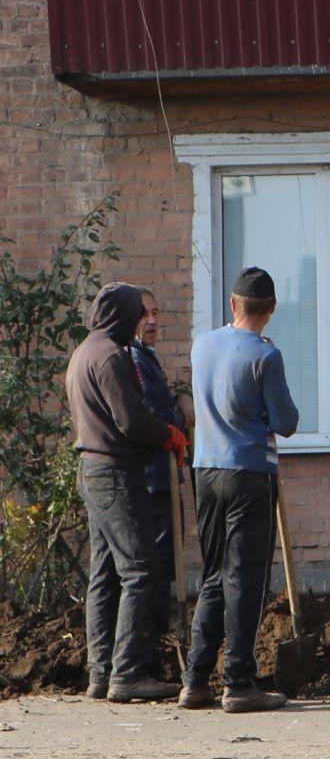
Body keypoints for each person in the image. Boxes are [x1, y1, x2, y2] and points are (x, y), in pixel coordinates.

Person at [183, 267, 300, 714]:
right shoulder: (266, 356)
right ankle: (238, 684)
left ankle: (195, 681)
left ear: (233, 304)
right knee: (245, 580)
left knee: (214, 574)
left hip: (206, 472)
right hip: (249, 474)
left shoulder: (201, 345)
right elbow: (286, 422)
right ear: (271, 310)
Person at [67, 282, 185, 702]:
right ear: (123, 315)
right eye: (138, 313)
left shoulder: (84, 352)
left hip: (92, 469)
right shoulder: (111, 357)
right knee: (140, 570)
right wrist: (168, 433)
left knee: (104, 574)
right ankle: (128, 674)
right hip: (116, 472)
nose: (142, 321)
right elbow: (131, 420)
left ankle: (101, 674)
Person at [128, 290, 193, 636]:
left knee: (165, 562)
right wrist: (179, 413)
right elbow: (157, 419)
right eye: (144, 314)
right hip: (153, 479)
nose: (152, 321)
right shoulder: (135, 361)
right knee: (158, 565)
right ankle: (152, 640)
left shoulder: (146, 357)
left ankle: (157, 637)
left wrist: (178, 398)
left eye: (155, 313)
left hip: (161, 477)